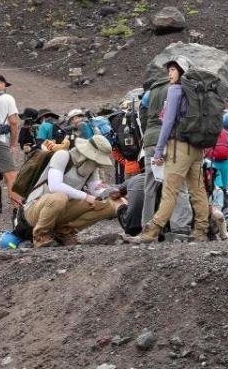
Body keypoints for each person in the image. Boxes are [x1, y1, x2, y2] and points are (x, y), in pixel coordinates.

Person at [127, 58, 210, 243]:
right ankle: (200, 232)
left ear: (181, 71)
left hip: (179, 147)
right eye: (169, 70)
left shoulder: (175, 90)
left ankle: (150, 232)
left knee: (170, 191)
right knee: (198, 191)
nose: (169, 73)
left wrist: (158, 152)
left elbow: (168, 122)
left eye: (173, 69)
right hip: (197, 147)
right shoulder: (197, 91)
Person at [22, 134, 127, 247]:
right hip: (36, 208)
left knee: (108, 205)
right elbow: (55, 186)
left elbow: (97, 191)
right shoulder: (63, 156)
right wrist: (86, 196)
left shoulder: (90, 168)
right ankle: (40, 236)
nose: (98, 163)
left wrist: (113, 193)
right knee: (59, 197)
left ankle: (64, 232)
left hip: (62, 208)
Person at [140, 75, 193, 236]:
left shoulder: (151, 91)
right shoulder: (177, 88)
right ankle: (180, 227)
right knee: (178, 184)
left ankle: (148, 226)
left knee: (149, 185)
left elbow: (142, 115)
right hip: (170, 139)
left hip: (150, 139)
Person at [0, 74, 22, 222]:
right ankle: (18, 211)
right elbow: (14, 122)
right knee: (11, 176)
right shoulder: (6, 98)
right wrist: (13, 143)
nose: (5, 88)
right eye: (5, 85)